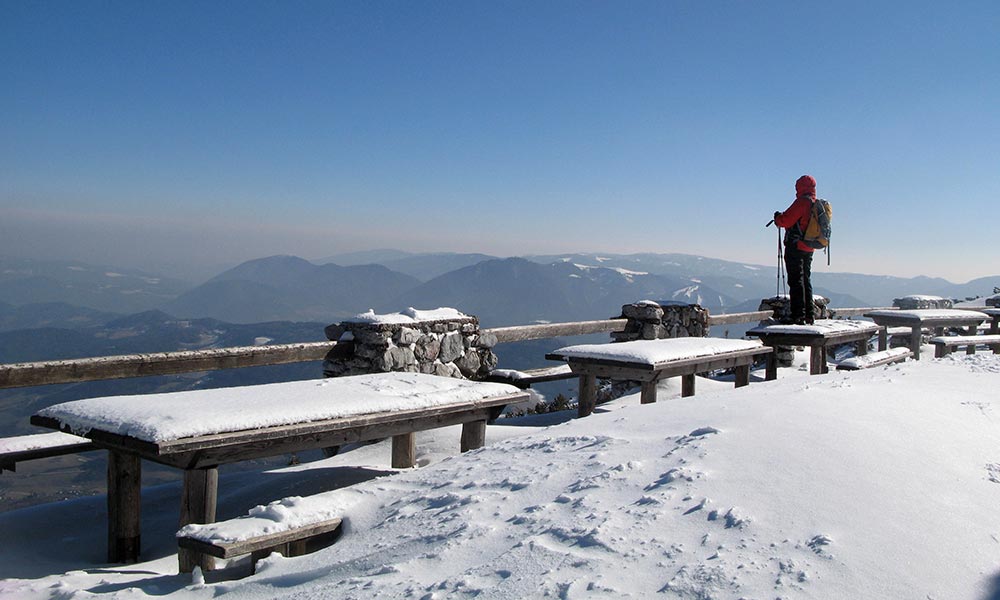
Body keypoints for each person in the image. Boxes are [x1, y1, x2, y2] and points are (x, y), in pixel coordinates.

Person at [774, 175, 818, 325]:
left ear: (800, 187)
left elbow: (786, 220)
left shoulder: (802, 202)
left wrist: (777, 218)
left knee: (795, 279)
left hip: (796, 246)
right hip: (809, 247)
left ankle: (797, 315)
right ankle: (808, 315)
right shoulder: (815, 203)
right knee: (805, 279)